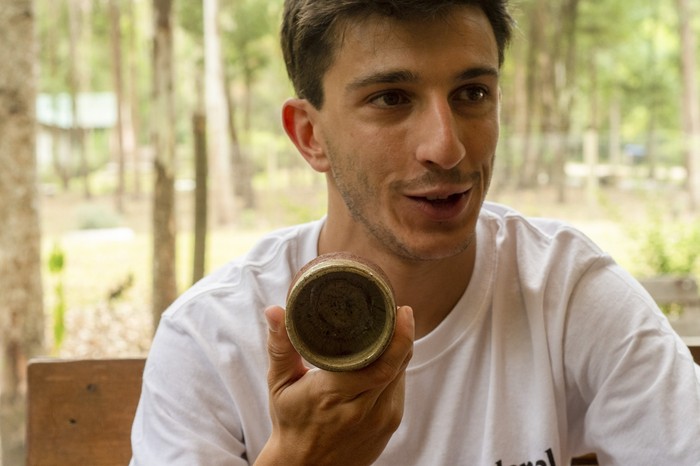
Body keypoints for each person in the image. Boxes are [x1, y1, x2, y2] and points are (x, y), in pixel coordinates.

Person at [130, 0, 700, 464]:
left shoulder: (564, 288)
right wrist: (300, 459)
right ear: (310, 136)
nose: (446, 147)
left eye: (472, 93)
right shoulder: (208, 339)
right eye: (390, 99)